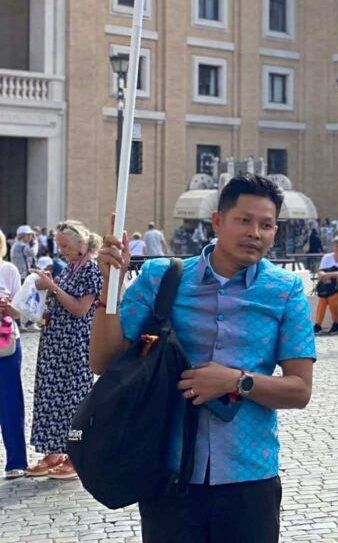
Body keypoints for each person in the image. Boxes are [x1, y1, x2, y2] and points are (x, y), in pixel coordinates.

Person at [92, 173, 315, 542]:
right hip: (169, 472)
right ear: (217, 221)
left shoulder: (285, 290)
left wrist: (237, 382)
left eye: (266, 225)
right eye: (244, 220)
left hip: (250, 478)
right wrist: (109, 287)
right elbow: (103, 361)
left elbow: (300, 390)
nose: (255, 233)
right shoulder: (162, 278)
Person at [25, 220, 104, 480]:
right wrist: (45, 284)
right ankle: (53, 451)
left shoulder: (91, 269)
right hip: (55, 343)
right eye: (59, 246)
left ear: (81, 243)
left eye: (66, 246)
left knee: (74, 400)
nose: (62, 251)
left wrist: (54, 288)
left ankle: (75, 455)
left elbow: (80, 309)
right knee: (50, 397)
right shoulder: (71, 266)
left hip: (75, 345)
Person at [0, 231, 29, 480]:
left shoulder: (8, 270)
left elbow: (21, 310)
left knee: (10, 404)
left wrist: (9, 308)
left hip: (6, 344)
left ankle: (16, 461)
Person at [314, 237, 338, 335]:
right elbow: (321, 271)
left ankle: (336, 323)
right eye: (337, 246)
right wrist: (325, 275)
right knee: (323, 299)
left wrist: (327, 274)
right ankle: (318, 324)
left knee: (332, 298)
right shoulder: (327, 257)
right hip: (328, 286)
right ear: (333, 247)